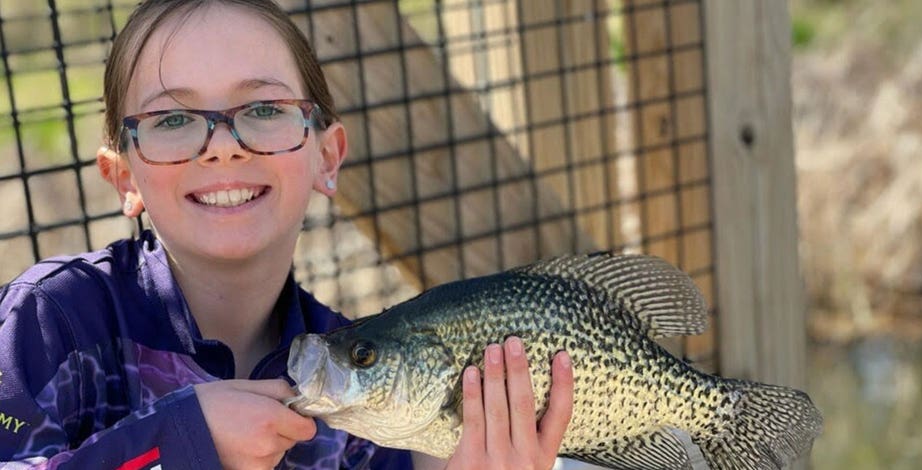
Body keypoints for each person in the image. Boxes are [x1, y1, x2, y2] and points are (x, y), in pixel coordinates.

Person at [0, 0, 575, 469]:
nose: (223, 144)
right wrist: (177, 443)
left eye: (264, 108)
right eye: (173, 120)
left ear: (326, 157)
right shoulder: (51, 320)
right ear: (125, 177)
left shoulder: (367, 382)